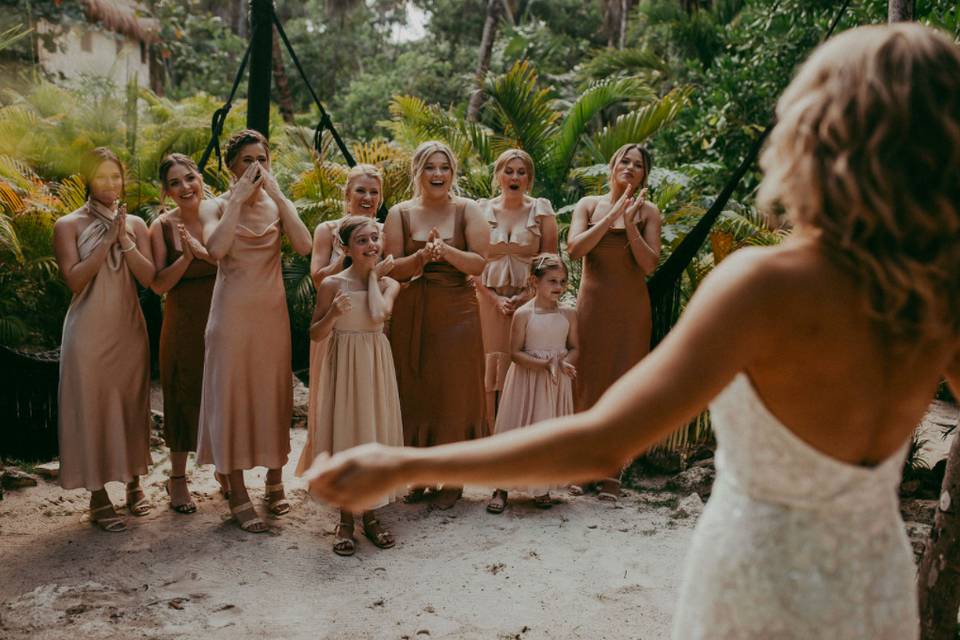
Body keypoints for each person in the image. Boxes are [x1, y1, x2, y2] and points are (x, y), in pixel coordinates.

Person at [306, 24, 960, 639]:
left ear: (818, 134)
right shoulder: (943, 289)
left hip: (764, 587)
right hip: (878, 587)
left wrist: (402, 463)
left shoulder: (765, 285)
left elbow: (602, 443)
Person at [197, 129, 312, 533]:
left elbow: (304, 245)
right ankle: (237, 491)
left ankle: (275, 478)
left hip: (271, 316)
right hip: (230, 317)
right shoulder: (215, 206)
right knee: (234, 397)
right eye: (247, 160)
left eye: (261, 158)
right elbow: (216, 249)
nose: (255, 166)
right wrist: (239, 201)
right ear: (232, 167)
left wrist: (280, 198)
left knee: (271, 394)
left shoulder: (278, 204)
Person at [53, 147, 156, 532]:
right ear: (87, 180)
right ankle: (97, 497)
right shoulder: (68, 225)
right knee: (92, 408)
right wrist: (106, 240)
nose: (110, 184)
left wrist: (124, 238)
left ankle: (134, 484)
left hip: (129, 328)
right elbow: (75, 280)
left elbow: (149, 280)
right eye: (101, 177)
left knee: (131, 405)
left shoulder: (138, 225)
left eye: (116, 177)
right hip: (89, 332)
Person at [384, 140, 490, 510]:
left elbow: (479, 263)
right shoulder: (400, 212)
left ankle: (455, 476)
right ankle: (422, 473)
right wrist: (419, 258)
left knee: (455, 393)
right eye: (430, 167)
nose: (438, 174)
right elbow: (392, 267)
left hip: (458, 312)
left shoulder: (467, 209)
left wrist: (445, 252)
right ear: (418, 172)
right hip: (413, 310)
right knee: (417, 390)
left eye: (444, 167)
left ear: (453, 172)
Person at [296, 216, 403, 556]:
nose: (371, 245)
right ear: (345, 247)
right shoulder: (331, 285)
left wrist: (373, 276)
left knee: (371, 431)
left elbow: (379, 314)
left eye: (375, 238)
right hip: (343, 365)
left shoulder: (389, 285)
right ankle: (344, 518)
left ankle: (370, 514)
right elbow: (315, 333)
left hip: (374, 364)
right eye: (362, 240)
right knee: (345, 431)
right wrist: (332, 315)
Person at [566, 142, 661, 501]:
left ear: (644, 175)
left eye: (638, 165)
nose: (630, 168)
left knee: (623, 380)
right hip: (593, 306)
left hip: (631, 310)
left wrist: (631, 222)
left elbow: (648, 265)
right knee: (587, 381)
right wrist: (613, 214)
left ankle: (611, 469)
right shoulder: (588, 205)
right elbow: (575, 250)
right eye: (625, 161)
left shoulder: (649, 212)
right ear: (612, 166)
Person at [148, 154, 217, 514]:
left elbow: (239, 262)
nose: (185, 187)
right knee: (182, 390)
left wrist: (207, 251)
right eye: (174, 183)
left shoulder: (220, 212)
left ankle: (227, 474)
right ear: (166, 190)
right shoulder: (161, 226)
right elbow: (158, 283)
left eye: (189, 178)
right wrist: (189, 257)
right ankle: (177, 478)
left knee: (222, 392)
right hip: (184, 320)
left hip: (224, 316)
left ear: (200, 178)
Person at [486, 254, 577, 514]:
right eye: (551, 281)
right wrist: (543, 365)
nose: (558, 286)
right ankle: (501, 487)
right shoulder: (524, 314)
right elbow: (514, 353)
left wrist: (566, 362)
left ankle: (542, 485)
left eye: (562, 281)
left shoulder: (569, 313)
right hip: (527, 378)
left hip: (555, 381)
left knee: (547, 429)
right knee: (517, 428)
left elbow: (575, 347)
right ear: (534, 282)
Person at [475, 149, 559, 429]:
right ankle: (489, 433)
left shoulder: (541, 210)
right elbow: (471, 260)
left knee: (523, 360)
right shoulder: (480, 209)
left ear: (529, 178)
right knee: (488, 363)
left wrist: (526, 296)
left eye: (521, 172)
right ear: (498, 175)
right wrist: (494, 298)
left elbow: (551, 262)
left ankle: (523, 431)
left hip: (530, 301)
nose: (514, 177)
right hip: (487, 301)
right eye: (508, 171)